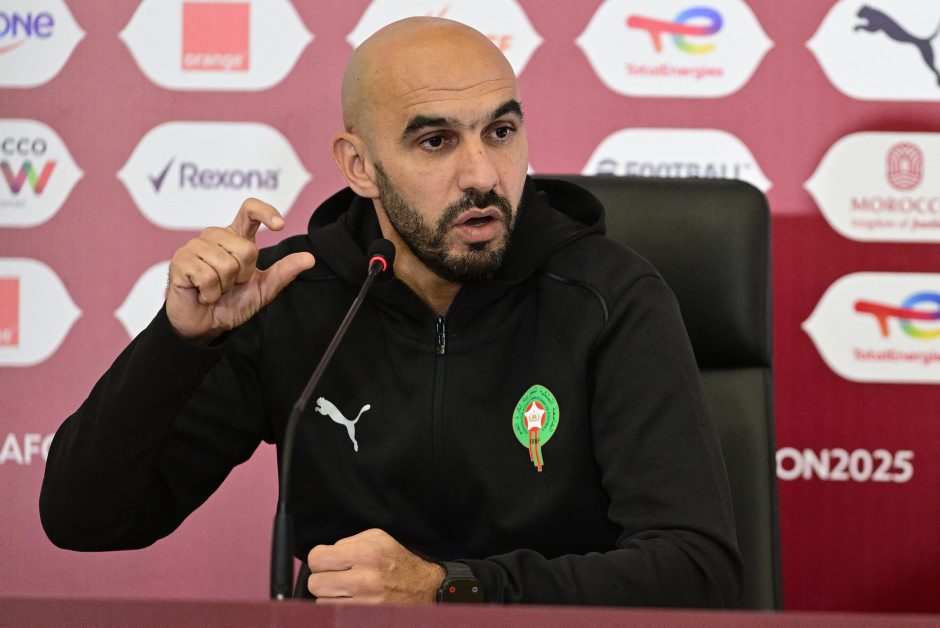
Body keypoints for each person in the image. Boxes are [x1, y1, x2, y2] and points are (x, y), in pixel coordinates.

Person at [40, 17, 743, 606]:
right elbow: (85, 520)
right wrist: (179, 343)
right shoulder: (293, 293)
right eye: (436, 141)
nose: (482, 176)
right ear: (359, 166)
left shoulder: (608, 294)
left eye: (500, 132)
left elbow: (698, 571)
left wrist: (453, 589)